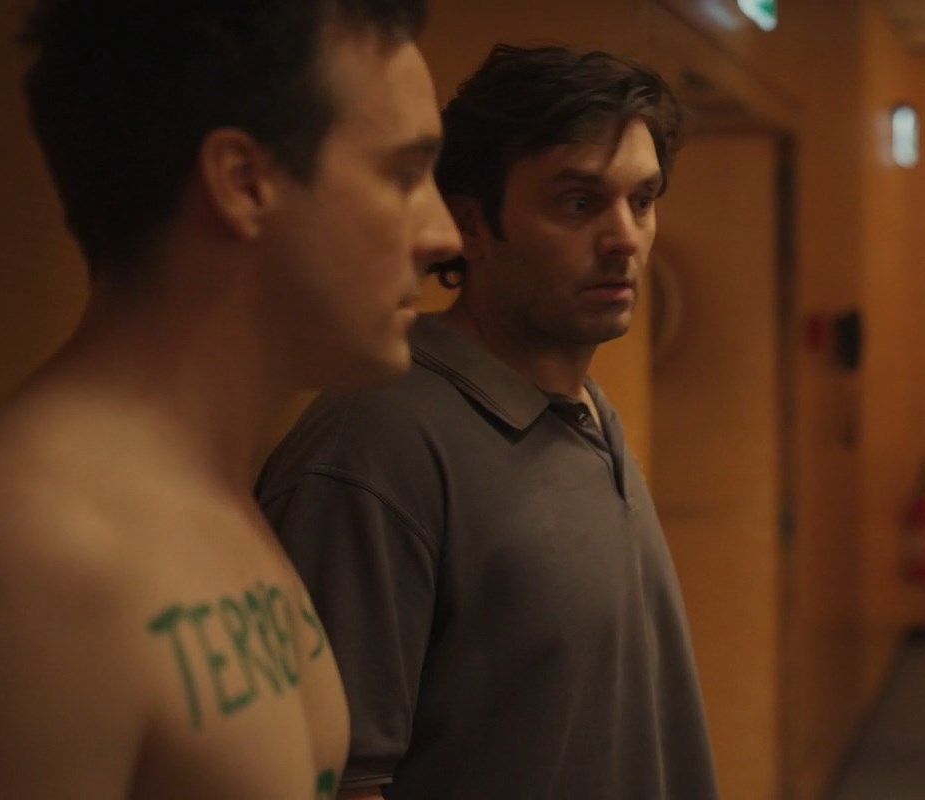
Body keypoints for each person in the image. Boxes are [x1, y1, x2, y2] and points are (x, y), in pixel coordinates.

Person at [0, 1, 460, 797]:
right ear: (243, 183)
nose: (444, 235)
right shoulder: (25, 563)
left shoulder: (210, 492)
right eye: (405, 174)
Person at [256, 44, 716, 799]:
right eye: (578, 203)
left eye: (641, 200)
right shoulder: (374, 447)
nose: (625, 237)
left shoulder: (588, 411)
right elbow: (335, 781)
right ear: (470, 224)